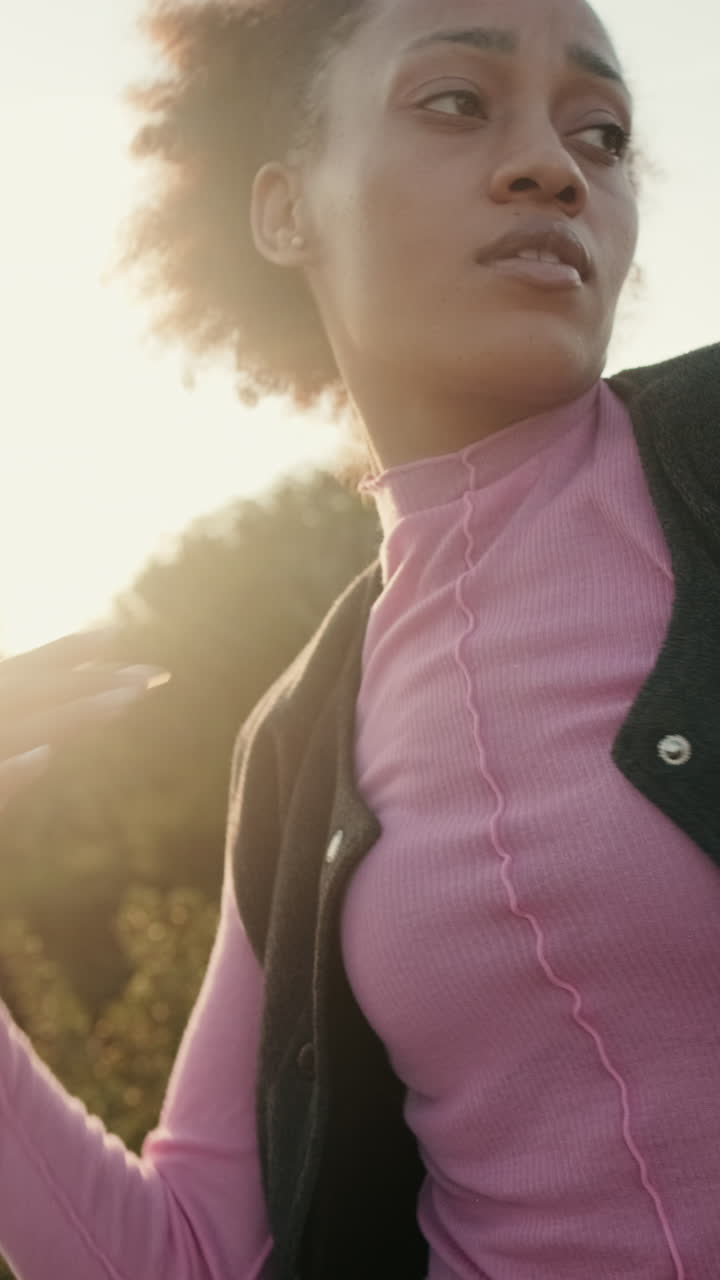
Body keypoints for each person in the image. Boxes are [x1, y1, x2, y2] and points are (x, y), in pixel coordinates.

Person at [0, 0, 718, 1276]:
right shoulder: (295, 745)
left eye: (602, 133)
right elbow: (190, 1257)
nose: (552, 163)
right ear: (283, 210)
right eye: (455, 101)